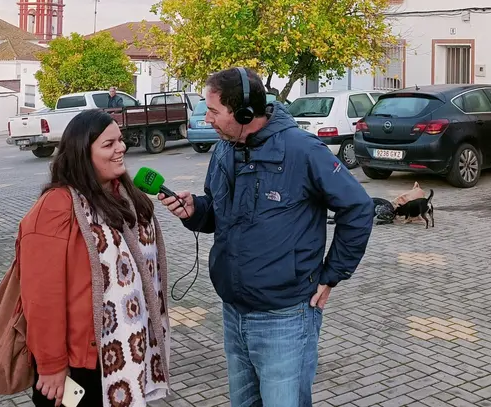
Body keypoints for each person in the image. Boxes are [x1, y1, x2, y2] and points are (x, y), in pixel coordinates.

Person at [158, 67, 373, 407]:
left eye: (213, 111)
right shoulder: (225, 150)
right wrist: (194, 211)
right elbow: (218, 212)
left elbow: (359, 208)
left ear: (244, 112)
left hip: (285, 318)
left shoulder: (302, 150)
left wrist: (332, 274)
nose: (206, 118)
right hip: (234, 311)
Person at [19, 109, 171, 406]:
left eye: (121, 140)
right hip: (81, 362)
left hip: (127, 352)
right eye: (109, 144)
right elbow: (41, 296)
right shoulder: (56, 207)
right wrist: (50, 364)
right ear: (81, 153)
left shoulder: (121, 192)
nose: (121, 148)